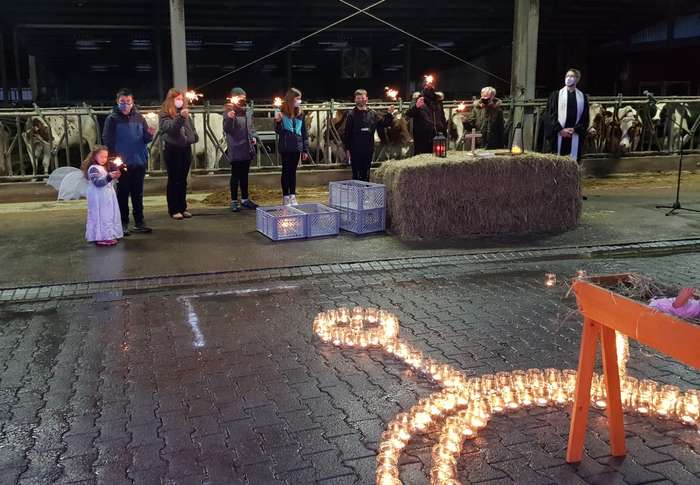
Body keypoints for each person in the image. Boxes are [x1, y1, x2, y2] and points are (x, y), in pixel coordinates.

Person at [103, 88, 156, 235]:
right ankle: (123, 223)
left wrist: (150, 134)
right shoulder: (112, 119)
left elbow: (145, 139)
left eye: (128, 102)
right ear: (117, 102)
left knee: (137, 194)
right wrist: (113, 161)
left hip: (138, 161)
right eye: (122, 102)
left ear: (132, 102)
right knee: (123, 193)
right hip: (122, 164)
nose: (125, 105)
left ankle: (140, 221)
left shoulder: (139, 118)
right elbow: (108, 140)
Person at [159, 88, 198, 220]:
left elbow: (191, 128)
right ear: (171, 100)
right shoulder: (165, 114)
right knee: (174, 179)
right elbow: (171, 129)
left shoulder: (185, 114)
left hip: (185, 149)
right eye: (177, 99)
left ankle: (183, 207)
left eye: (181, 99)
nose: (180, 101)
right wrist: (180, 117)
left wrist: (193, 137)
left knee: (182, 180)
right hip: (172, 150)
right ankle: (174, 209)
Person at [343, 89, 395, 182]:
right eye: (358, 98)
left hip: (368, 149)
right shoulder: (351, 115)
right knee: (356, 174)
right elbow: (347, 134)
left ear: (366, 99)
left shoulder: (372, 113)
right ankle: (357, 194)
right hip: (355, 150)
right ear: (355, 100)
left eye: (362, 98)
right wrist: (347, 149)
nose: (361, 100)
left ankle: (365, 193)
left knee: (366, 173)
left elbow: (383, 123)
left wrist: (390, 114)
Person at [224, 87, 258, 212]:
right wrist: (229, 118)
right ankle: (234, 201)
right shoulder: (229, 110)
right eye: (239, 97)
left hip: (247, 146)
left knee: (245, 175)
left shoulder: (248, 110)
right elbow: (227, 129)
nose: (242, 100)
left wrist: (253, 137)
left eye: (243, 97)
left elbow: (251, 126)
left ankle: (245, 199)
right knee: (235, 175)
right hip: (235, 146)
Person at [82, 145, 123, 246]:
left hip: (107, 197)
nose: (104, 159)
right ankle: (101, 236)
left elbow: (108, 181)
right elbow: (98, 183)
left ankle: (109, 234)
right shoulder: (93, 169)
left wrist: (114, 176)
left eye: (106, 157)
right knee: (102, 216)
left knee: (109, 215)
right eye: (101, 156)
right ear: (94, 156)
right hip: (99, 198)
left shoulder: (103, 167)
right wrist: (109, 177)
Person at [545, 69, 590, 162]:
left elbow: (584, 117)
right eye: (567, 76)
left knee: (573, 161)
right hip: (559, 134)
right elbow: (551, 115)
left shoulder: (582, 97)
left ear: (577, 79)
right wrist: (560, 129)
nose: (568, 78)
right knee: (556, 161)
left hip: (574, 134)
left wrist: (575, 129)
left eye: (571, 76)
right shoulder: (556, 95)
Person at [274, 87, 309, 205]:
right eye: (297, 99)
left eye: (300, 99)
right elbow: (278, 131)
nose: (299, 101)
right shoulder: (281, 112)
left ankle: (293, 195)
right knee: (286, 171)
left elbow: (304, 132)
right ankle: (285, 196)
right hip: (285, 146)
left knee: (293, 172)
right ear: (290, 99)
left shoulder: (300, 114)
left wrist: (305, 149)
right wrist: (278, 122)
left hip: (296, 146)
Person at [406, 82, 447, 155]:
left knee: (437, 157)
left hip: (437, 134)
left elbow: (442, 117)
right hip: (422, 136)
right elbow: (409, 114)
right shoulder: (418, 99)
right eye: (427, 84)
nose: (429, 85)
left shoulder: (438, 101)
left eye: (431, 84)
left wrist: (444, 132)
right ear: (424, 87)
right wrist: (416, 106)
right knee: (422, 158)